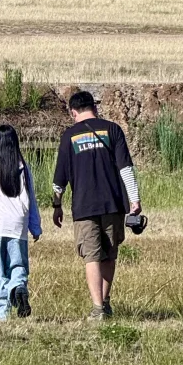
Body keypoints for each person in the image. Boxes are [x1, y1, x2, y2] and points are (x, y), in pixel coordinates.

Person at [51, 90, 141, 321]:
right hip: (113, 203)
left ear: (73, 112)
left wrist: (57, 205)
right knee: (109, 254)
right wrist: (135, 199)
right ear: (95, 107)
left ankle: (97, 308)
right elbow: (126, 168)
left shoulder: (69, 136)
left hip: (84, 206)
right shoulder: (112, 130)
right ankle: (106, 302)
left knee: (91, 256)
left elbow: (59, 178)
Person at [0, 123, 42, 319]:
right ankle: (18, 287)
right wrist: (35, 226)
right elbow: (31, 199)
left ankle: (1, 314)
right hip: (18, 225)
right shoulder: (23, 167)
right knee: (18, 265)